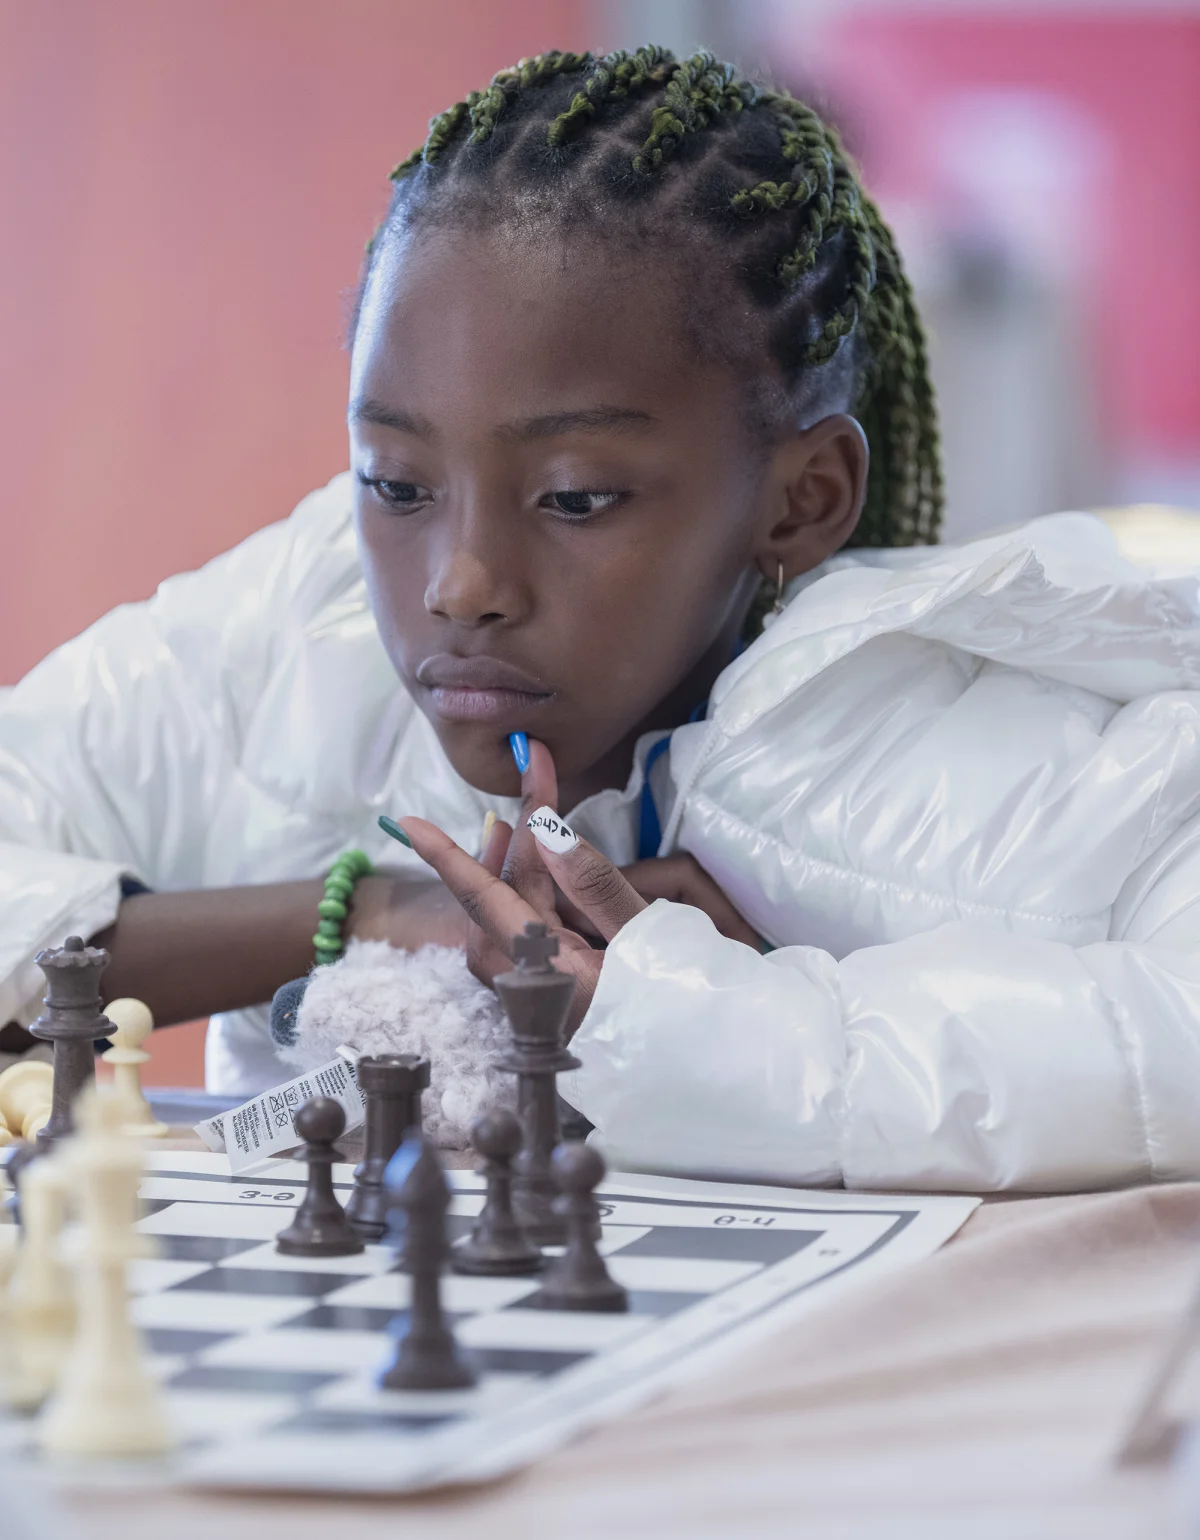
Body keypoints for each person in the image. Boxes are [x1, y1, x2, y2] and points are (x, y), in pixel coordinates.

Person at [2, 48, 1198, 1191]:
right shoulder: (307, 620)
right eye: (397, 482)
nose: (460, 581)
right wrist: (376, 912)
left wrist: (688, 1019)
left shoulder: (944, 747)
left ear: (802, 499)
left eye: (575, 497)